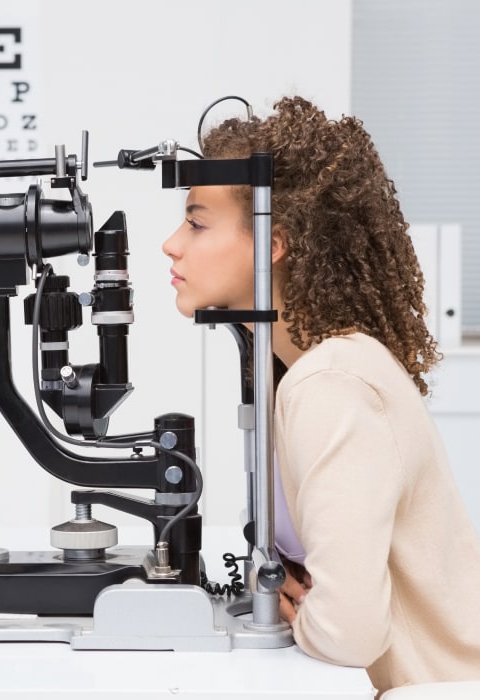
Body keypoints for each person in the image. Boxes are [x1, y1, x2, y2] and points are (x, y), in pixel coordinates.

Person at [162, 96, 480, 694]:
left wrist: (303, 616)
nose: (172, 244)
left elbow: (349, 633)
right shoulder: (305, 367)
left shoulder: (329, 383)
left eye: (197, 222)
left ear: (273, 242)